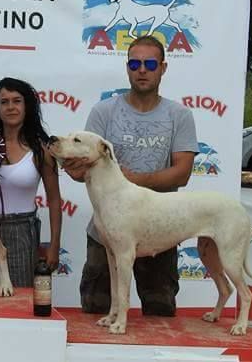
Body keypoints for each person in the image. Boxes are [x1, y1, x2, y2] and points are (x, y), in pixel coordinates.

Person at [62, 36, 197, 316]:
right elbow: (82, 169)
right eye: (135, 63)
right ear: (127, 68)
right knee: (96, 311)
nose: (142, 70)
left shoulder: (179, 115)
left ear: (163, 67)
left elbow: (182, 173)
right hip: (105, 233)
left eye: (150, 64)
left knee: (159, 315)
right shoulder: (103, 112)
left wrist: (131, 179)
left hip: (159, 229)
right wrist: (75, 169)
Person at [0, 78, 62, 289]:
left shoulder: (42, 150)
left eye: (17, 101)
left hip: (22, 232)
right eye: (4, 102)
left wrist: (54, 245)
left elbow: (55, 200)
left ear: (27, 106)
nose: (11, 107)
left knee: (20, 301)